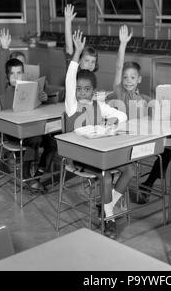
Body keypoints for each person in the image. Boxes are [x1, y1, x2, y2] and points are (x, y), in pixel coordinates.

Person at [65, 30, 135, 239]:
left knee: (129, 170)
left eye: (86, 89)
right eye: (78, 89)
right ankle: (109, 219)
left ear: (93, 91)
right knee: (105, 175)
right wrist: (77, 53)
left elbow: (122, 116)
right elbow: (70, 77)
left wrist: (113, 121)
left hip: (100, 154)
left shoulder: (99, 105)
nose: (82, 93)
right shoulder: (72, 106)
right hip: (79, 156)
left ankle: (107, 207)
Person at [109, 25, 171, 204]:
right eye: (125, 77)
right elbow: (118, 66)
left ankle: (148, 184)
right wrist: (122, 45)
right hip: (125, 141)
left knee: (168, 149)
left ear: (139, 80)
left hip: (140, 139)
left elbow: (157, 114)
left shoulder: (144, 98)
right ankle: (125, 188)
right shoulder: (120, 93)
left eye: (132, 77)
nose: (128, 81)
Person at [0, 28, 55, 192]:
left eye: (19, 73)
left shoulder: (29, 87)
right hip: (11, 131)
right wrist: (4, 48)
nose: (16, 77)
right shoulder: (4, 89)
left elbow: (35, 107)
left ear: (24, 74)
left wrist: (42, 98)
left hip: (28, 128)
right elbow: (1, 70)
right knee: (35, 139)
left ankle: (37, 174)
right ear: (8, 77)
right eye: (12, 74)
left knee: (52, 143)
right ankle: (26, 176)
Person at [64, 4, 99, 72]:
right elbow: (69, 49)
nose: (90, 64)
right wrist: (68, 22)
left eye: (93, 62)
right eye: (86, 60)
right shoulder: (74, 72)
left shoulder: (91, 77)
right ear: (79, 61)